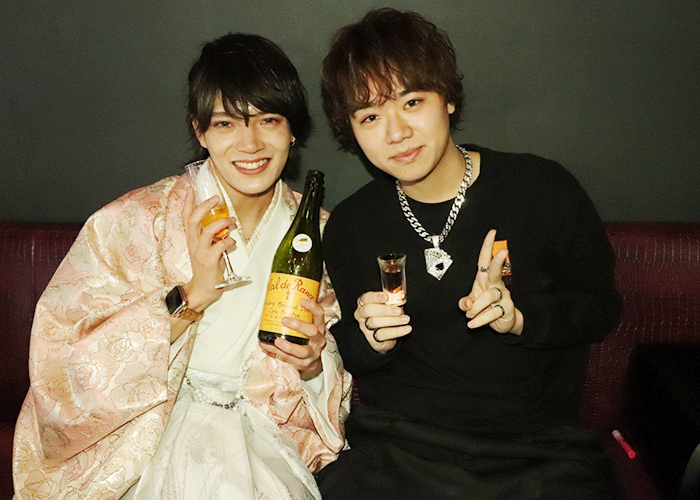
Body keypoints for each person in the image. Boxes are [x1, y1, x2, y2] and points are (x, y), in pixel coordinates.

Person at [12, 33, 351, 500]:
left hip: (262, 433)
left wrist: (312, 366)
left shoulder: (324, 234)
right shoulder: (136, 220)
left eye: (268, 120)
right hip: (146, 436)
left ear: (292, 129)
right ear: (200, 132)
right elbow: (61, 364)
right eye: (226, 124)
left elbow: (336, 371)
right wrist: (192, 296)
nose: (250, 143)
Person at [316, 8, 622, 499]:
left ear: (448, 99)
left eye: (412, 102)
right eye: (370, 116)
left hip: (535, 449)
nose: (395, 133)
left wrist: (521, 318)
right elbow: (351, 350)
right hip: (400, 447)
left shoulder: (541, 189)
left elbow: (600, 307)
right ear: (350, 130)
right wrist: (370, 339)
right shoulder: (352, 224)